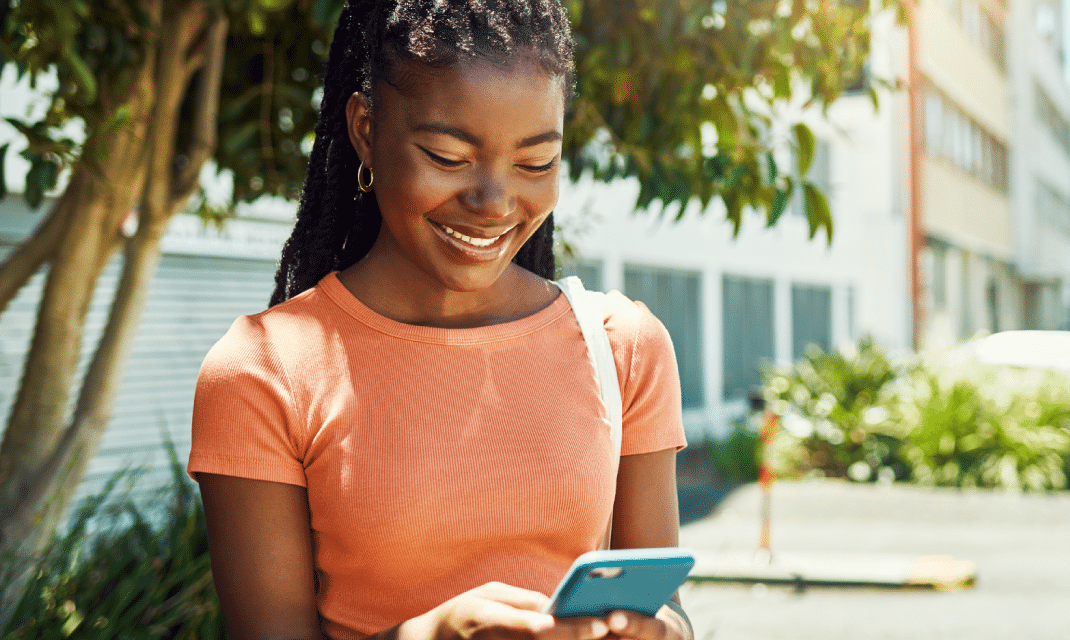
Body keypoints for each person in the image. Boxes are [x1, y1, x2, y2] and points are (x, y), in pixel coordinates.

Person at [187, 1, 692, 638]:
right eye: (448, 158)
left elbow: (664, 604)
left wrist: (664, 630)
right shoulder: (263, 372)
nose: (493, 202)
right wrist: (430, 634)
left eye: (535, 163)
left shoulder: (623, 348)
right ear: (366, 128)